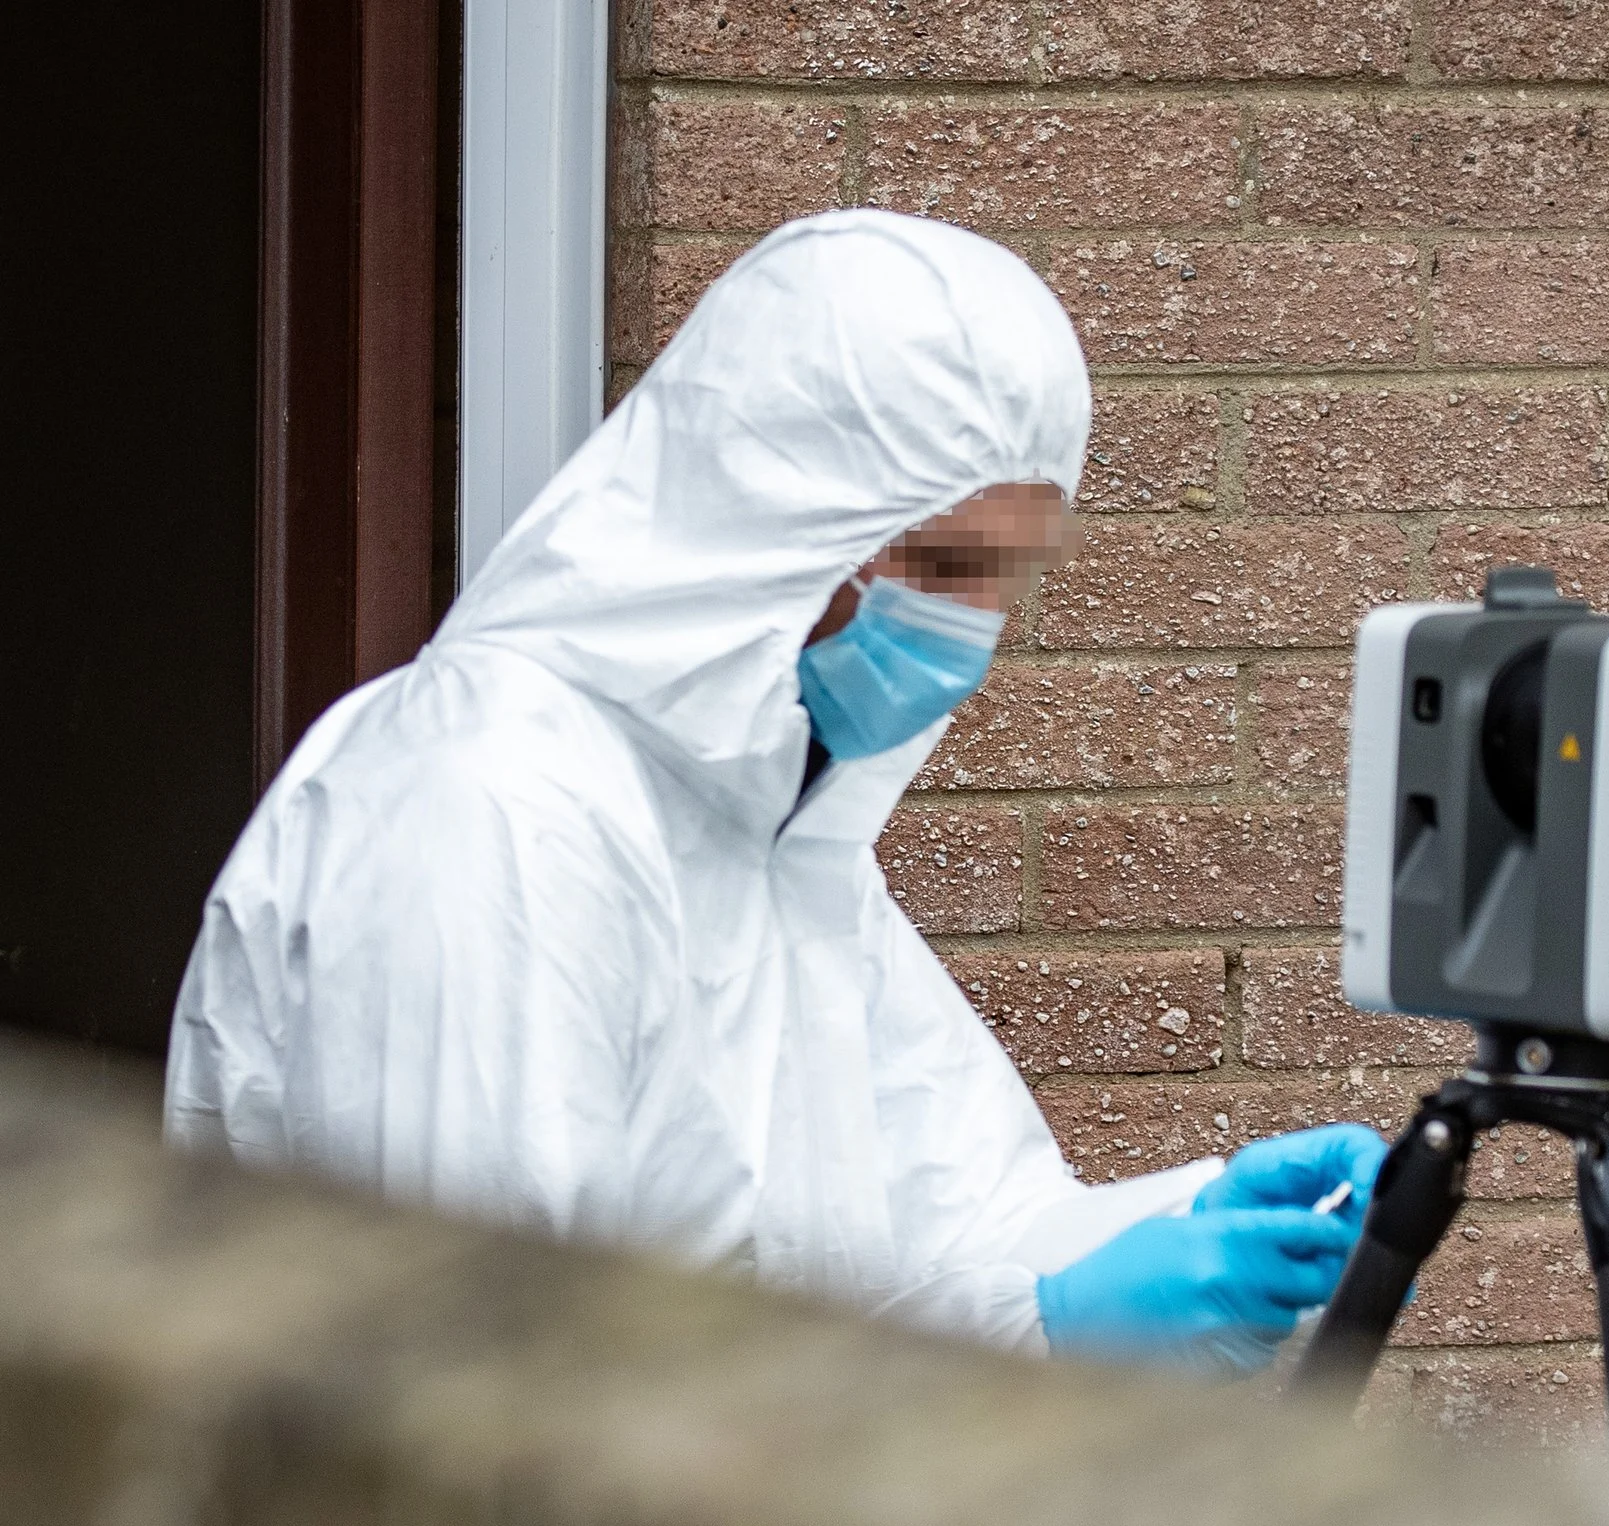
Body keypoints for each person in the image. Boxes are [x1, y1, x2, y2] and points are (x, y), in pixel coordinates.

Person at [165, 209, 1384, 1372]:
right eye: (944, 566)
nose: (971, 629)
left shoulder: (776, 849)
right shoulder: (489, 812)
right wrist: (1048, 1331)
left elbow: (950, 1231)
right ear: (770, 525)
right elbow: (481, 1379)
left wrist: (1196, 1222)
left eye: (1004, 578)